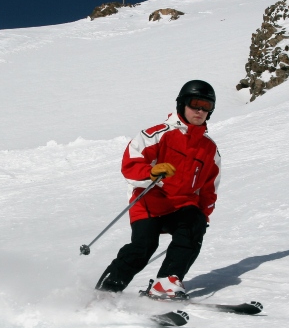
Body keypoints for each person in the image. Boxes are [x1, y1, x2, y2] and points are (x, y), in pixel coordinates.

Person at [95, 80, 221, 298]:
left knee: (195, 223)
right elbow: (130, 163)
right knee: (143, 248)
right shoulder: (157, 134)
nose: (200, 111)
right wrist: (150, 173)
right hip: (149, 204)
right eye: (195, 104)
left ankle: (166, 282)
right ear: (182, 104)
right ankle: (106, 292)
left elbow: (209, 188)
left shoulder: (209, 149)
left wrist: (203, 215)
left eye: (206, 106)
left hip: (181, 206)